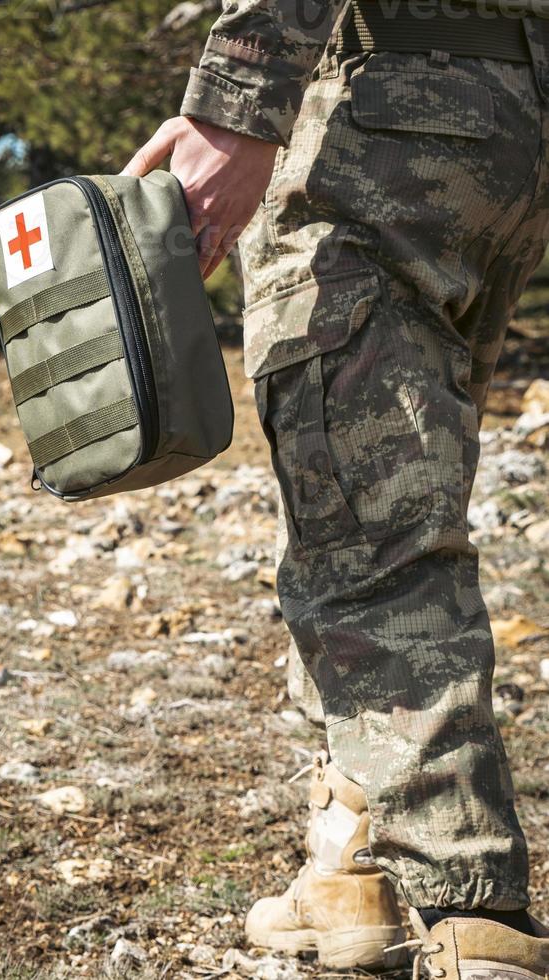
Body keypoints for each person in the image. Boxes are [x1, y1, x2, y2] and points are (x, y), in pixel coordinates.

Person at [123, 1, 549, 976]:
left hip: (372, 115)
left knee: (369, 531)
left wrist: (237, 100)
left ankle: (469, 902)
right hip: (508, 116)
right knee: (372, 490)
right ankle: (350, 868)